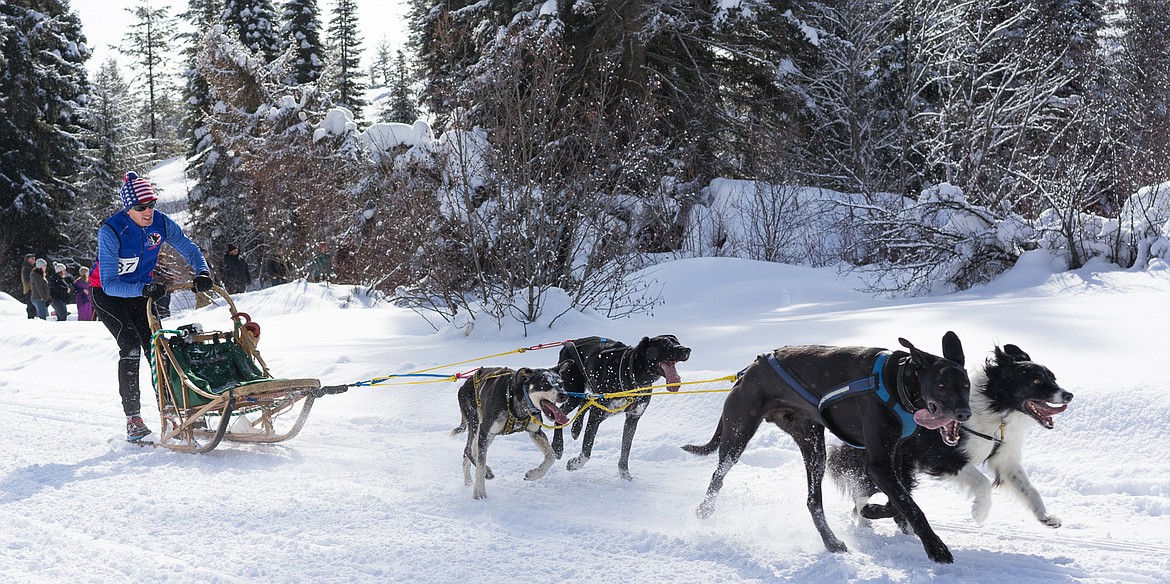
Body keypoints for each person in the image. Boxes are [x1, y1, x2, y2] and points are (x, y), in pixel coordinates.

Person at [90, 171, 212, 441]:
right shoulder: (111, 231)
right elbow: (109, 283)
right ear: (128, 208)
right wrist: (143, 288)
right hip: (108, 294)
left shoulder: (161, 223)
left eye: (152, 204)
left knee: (159, 347)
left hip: (139, 292)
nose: (148, 211)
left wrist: (202, 272)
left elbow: (190, 248)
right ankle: (133, 419)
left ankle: (173, 410)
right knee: (132, 346)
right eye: (140, 207)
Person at [20, 253, 37, 319]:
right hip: (29, 289)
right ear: (28, 260)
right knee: (31, 306)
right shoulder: (27, 268)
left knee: (32, 305)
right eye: (32, 258)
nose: (34, 259)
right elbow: (27, 280)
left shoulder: (29, 267)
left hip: (30, 289)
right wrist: (34, 285)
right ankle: (31, 319)